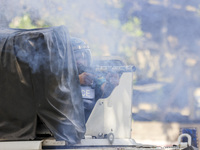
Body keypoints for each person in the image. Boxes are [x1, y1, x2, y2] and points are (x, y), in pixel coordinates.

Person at [70, 37, 120, 122]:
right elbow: (55, 86)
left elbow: (104, 89)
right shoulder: (58, 76)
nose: (80, 61)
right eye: (76, 58)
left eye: (83, 57)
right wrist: (76, 80)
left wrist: (110, 84)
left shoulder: (92, 74)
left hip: (90, 127)